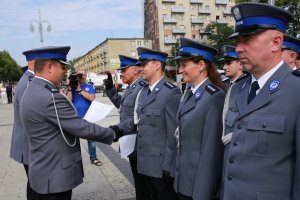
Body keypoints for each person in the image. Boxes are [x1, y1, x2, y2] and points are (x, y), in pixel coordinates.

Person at [19, 46, 123, 200]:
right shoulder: (50, 97)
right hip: (54, 177)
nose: (65, 73)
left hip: (42, 172)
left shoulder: (32, 89)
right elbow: (80, 127)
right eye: (63, 67)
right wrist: (114, 132)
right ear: (49, 67)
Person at [221, 3, 300, 200]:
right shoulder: (238, 88)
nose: (238, 48)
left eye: (246, 39)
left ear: (275, 42)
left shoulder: (296, 91)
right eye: (237, 41)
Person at [113, 47, 181, 200]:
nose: (140, 68)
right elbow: (137, 119)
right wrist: (117, 129)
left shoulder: (171, 93)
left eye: (143, 65)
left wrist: (169, 168)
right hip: (144, 163)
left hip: (161, 168)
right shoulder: (144, 91)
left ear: (157, 65)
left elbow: (174, 135)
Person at [172, 37, 225, 200]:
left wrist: (203, 193)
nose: (180, 70)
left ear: (201, 65)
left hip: (197, 187)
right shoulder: (189, 93)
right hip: (183, 181)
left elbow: (212, 154)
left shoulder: (214, 97)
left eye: (184, 65)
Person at [105, 55, 150, 200]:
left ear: (136, 69)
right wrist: (111, 89)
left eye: (125, 69)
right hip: (130, 143)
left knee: (143, 184)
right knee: (138, 181)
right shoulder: (132, 87)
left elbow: (137, 116)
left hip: (138, 143)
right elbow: (122, 106)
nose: (122, 73)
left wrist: (118, 129)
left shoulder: (142, 88)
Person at [10, 47, 36, 200]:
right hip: (29, 144)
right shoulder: (29, 83)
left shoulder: (26, 80)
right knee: (34, 186)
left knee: (33, 184)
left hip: (27, 142)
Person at [67, 68, 103, 166]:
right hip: (75, 117)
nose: (83, 76)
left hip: (88, 116)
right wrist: (70, 88)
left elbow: (91, 98)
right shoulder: (72, 87)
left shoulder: (89, 86)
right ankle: (73, 159)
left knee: (91, 139)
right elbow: (69, 100)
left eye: (84, 75)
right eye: (80, 75)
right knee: (73, 139)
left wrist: (80, 90)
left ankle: (93, 158)